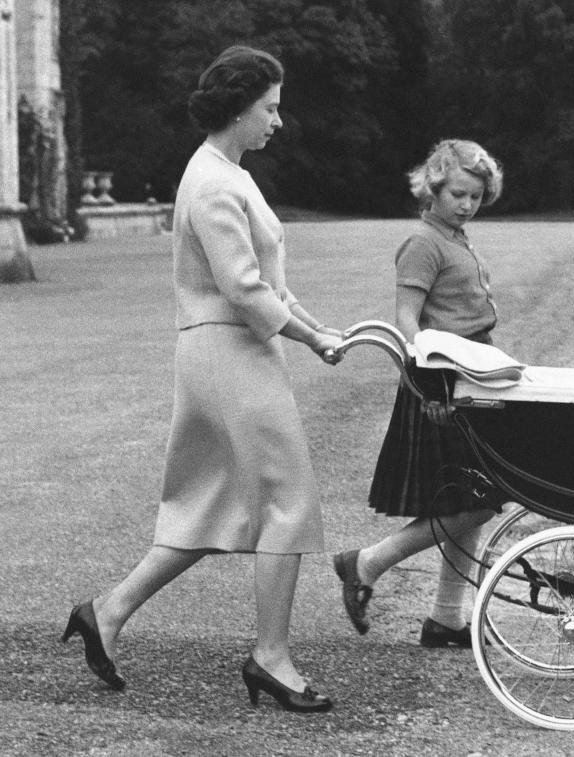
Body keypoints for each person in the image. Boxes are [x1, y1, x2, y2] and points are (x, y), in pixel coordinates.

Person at [61, 45, 343, 713]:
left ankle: (107, 610)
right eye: (270, 108)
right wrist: (307, 336)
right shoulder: (214, 181)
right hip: (229, 354)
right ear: (240, 109)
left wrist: (315, 327)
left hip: (232, 351)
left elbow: (269, 283)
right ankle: (271, 657)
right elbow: (244, 291)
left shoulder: (229, 172)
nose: (278, 120)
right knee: (288, 502)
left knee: (207, 503)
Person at [333, 139, 507, 647]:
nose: (466, 204)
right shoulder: (424, 243)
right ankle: (366, 564)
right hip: (438, 384)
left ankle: (447, 618)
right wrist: (430, 380)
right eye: (457, 193)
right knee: (475, 499)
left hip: (470, 377)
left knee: (471, 494)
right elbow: (407, 320)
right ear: (433, 187)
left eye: (475, 196)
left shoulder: (458, 237)